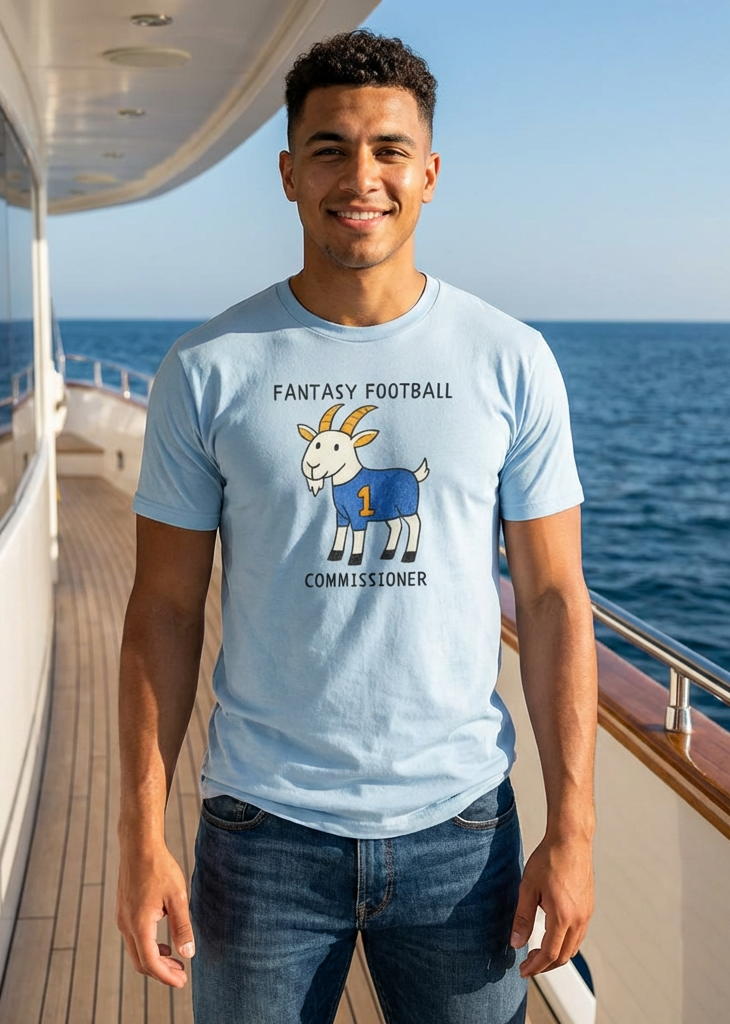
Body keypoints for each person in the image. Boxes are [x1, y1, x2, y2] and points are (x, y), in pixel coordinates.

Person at [115, 29, 597, 1024]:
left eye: (387, 150)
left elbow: (552, 598)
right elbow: (161, 608)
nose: (360, 176)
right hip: (260, 834)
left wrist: (574, 826)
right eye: (330, 148)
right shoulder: (208, 370)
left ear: (428, 172)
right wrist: (139, 832)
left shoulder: (510, 360)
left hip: (462, 829)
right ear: (289, 173)